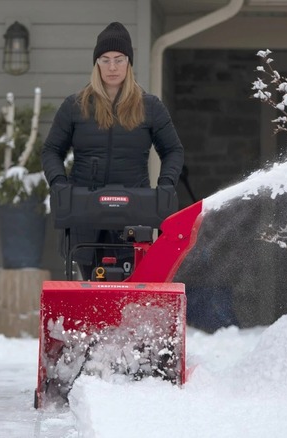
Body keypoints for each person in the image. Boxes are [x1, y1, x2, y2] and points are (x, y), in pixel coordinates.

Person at [41, 21, 184, 280]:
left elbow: (173, 150)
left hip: (134, 211)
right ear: (96, 63)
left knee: (130, 283)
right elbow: (51, 150)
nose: (112, 67)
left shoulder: (150, 107)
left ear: (128, 62)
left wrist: (165, 185)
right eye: (105, 60)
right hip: (85, 210)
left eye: (119, 59)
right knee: (90, 285)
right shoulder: (75, 106)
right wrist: (59, 183)